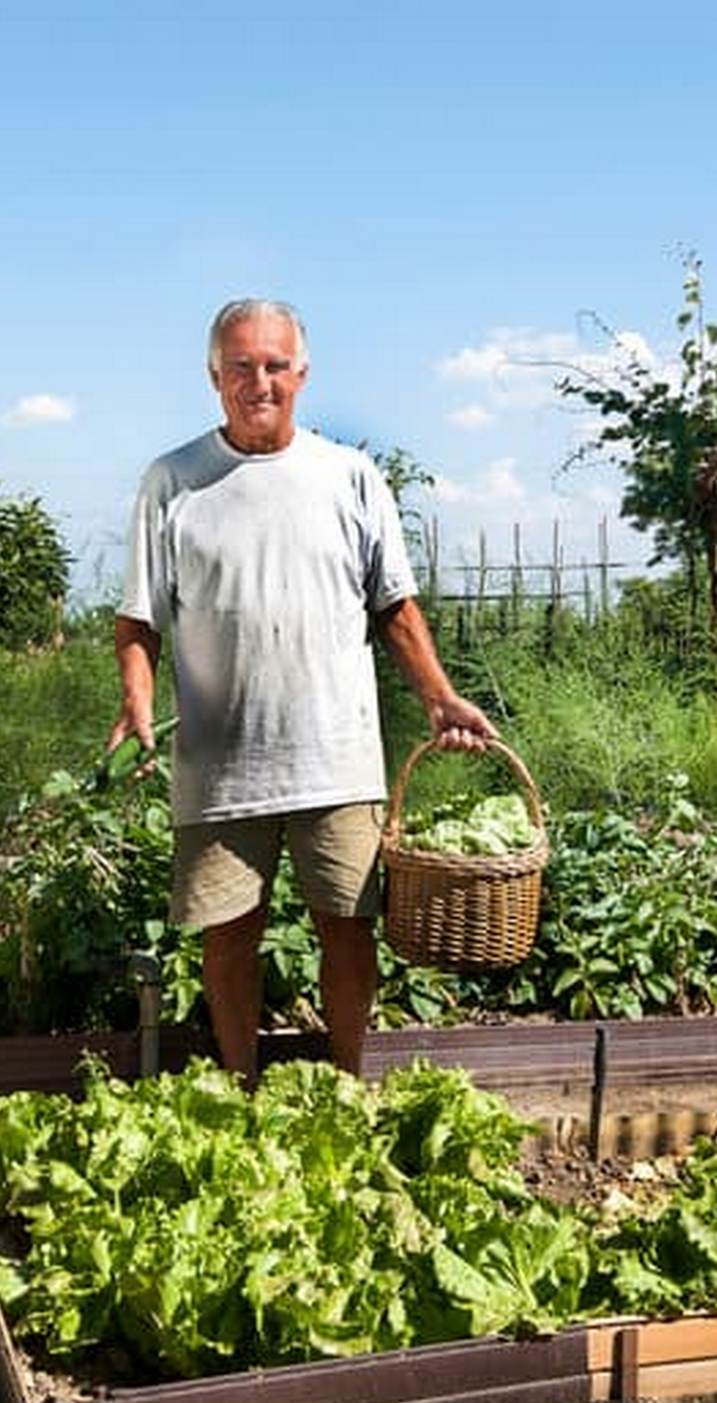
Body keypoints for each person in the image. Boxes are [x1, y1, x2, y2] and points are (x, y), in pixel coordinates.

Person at [111, 297, 496, 1085]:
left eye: (275, 365)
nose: (260, 381)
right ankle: (243, 1089)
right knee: (229, 933)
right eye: (242, 366)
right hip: (219, 765)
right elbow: (139, 617)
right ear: (215, 376)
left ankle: (349, 1084)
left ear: (302, 373)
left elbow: (394, 604)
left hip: (335, 755)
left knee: (348, 929)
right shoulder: (173, 481)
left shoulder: (348, 476)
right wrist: (135, 700)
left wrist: (438, 696)